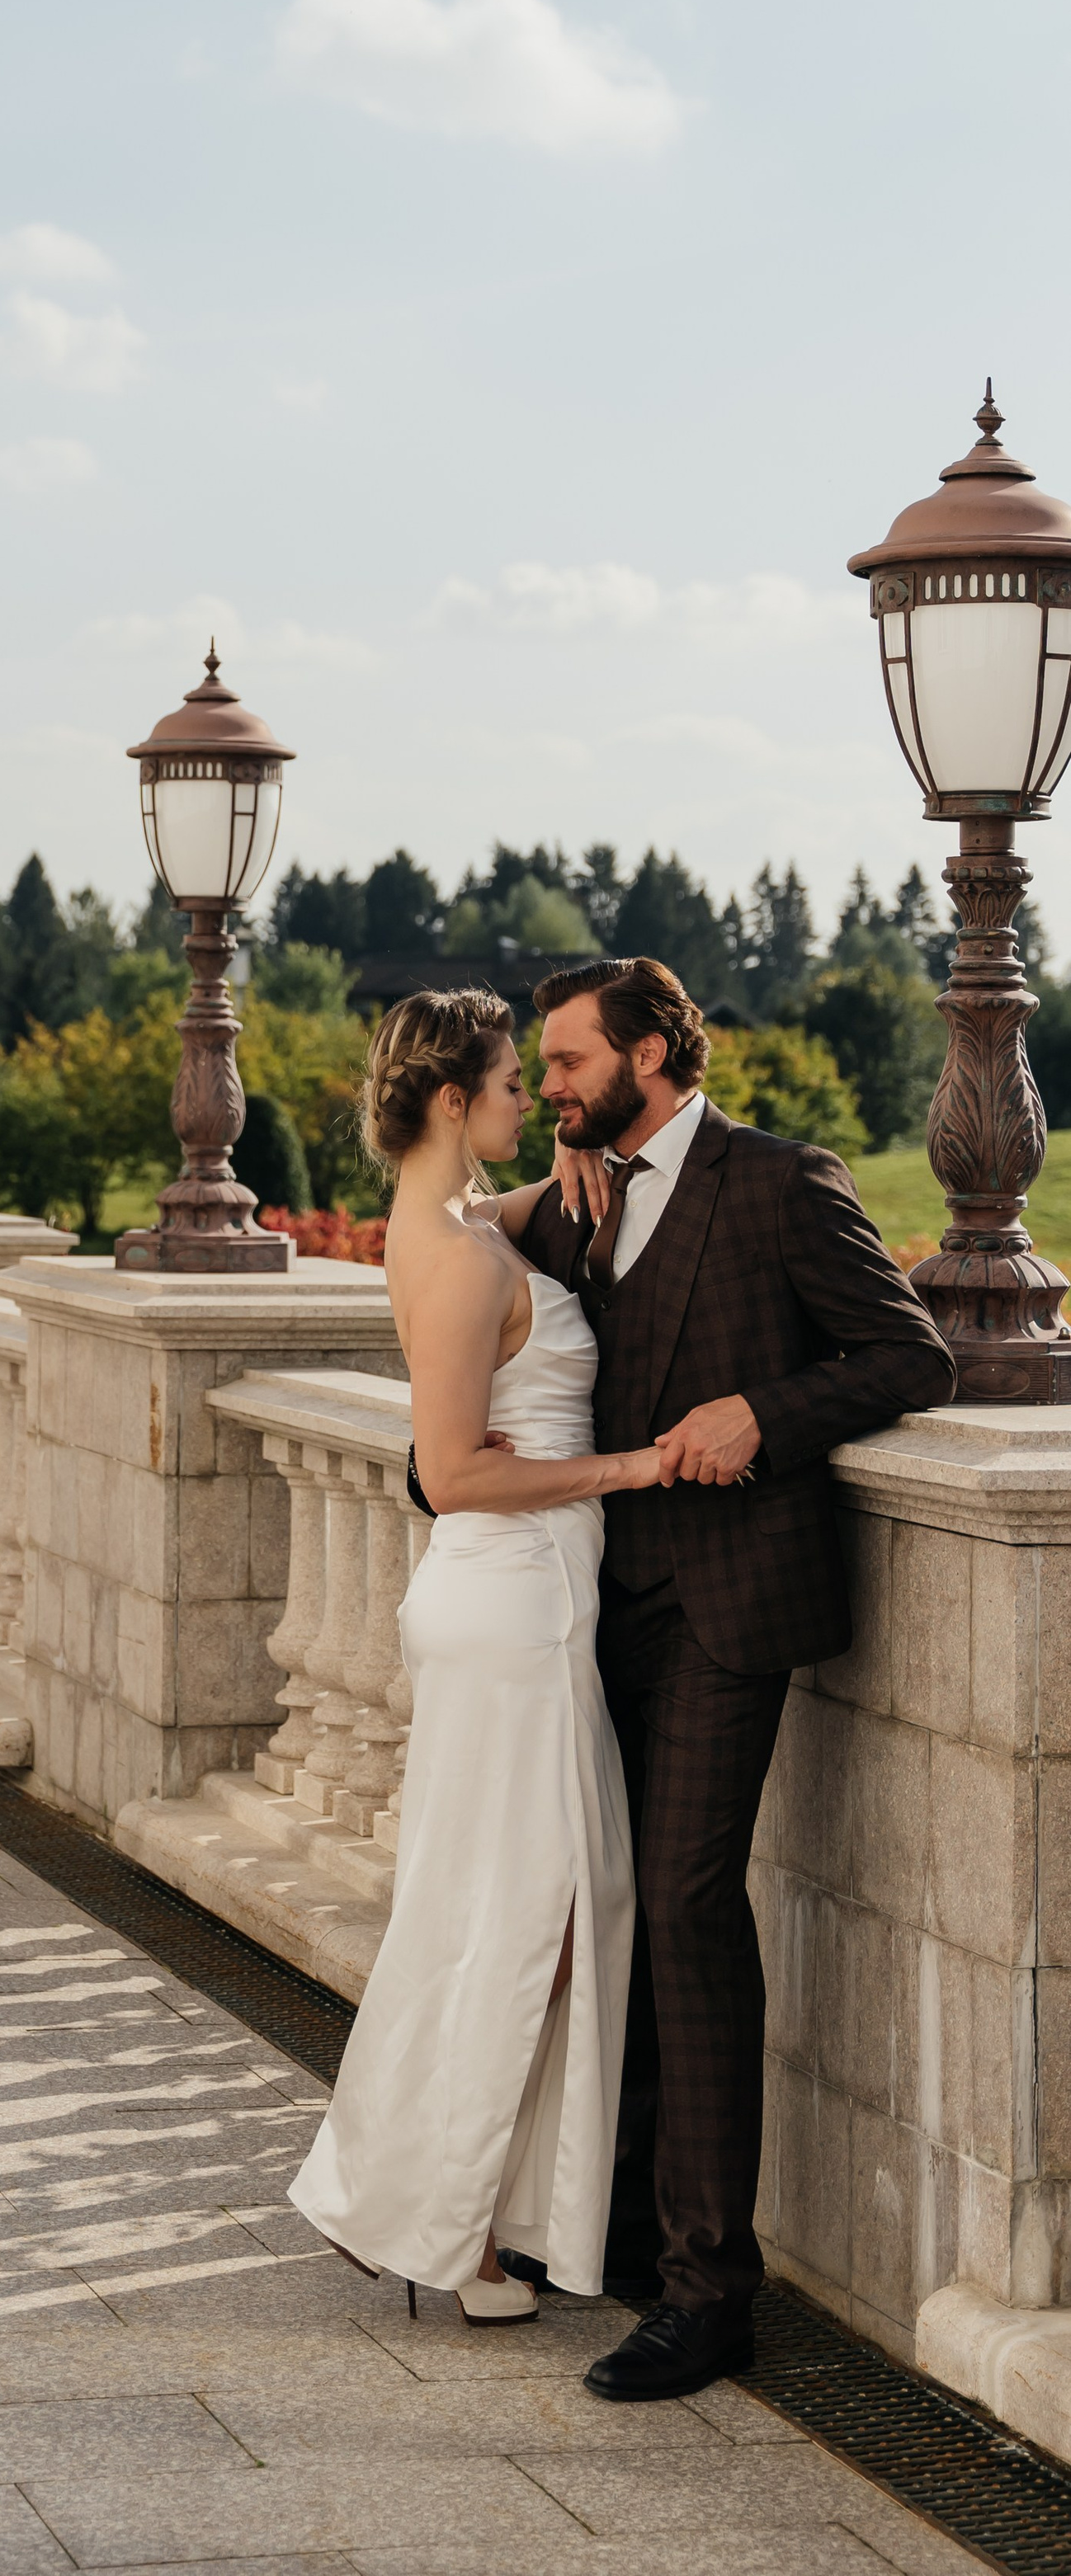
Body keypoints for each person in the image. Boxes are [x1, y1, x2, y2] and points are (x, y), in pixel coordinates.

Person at [521, 956, 955, 2401]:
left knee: (688, 1905)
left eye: (570, 1061)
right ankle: (622, 2229)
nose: (552, 1085)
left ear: (650, 1052)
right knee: (613, 1901)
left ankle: (711, 2294)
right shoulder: (571, 1201)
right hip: (596, 1603)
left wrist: (762, 1412)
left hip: (731, 1603)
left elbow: (910, 1357)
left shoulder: (780, 1182)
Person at [290, 987, 668, 2321]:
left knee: (525, 1912)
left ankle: (434, 2208)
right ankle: (437, 2220)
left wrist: (569, 1165)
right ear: (454, 1100)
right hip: (514, 1608)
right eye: (515, 1084)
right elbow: (450, 1475)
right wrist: (630, 1467)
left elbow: (499, 1216)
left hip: (524, 1602)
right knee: (526, 1921)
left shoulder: (448, 1224)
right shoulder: (457, 1259)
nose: (533, 1099)